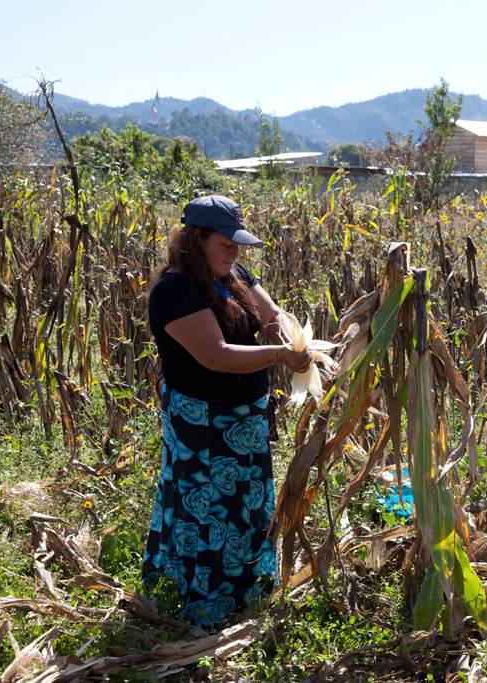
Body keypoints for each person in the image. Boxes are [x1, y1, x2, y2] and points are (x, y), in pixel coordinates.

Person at [142, 194, 311, 628]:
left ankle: (248, 590)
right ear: (196, 238)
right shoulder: (174, 290)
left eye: (239, 244)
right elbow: (215, 356)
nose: (235, 252)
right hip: (203, 421)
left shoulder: (232, 272)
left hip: (243, 419)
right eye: (226, 242)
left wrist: (289, 336)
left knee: (247, 504)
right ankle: (207, 603)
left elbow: (269, 311)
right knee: (209, 512)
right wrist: (278, 355)